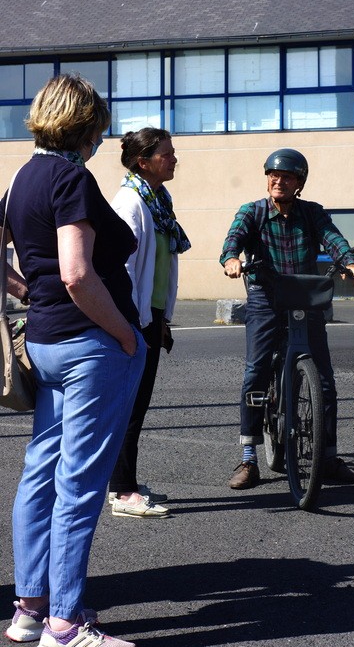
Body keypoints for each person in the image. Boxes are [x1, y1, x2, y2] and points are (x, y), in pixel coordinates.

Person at [2, 75, 146, 647]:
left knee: (41, 473)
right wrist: (125, 335)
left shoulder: (20, 178)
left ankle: (29, 612)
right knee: (80, 483)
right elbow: (76, 273)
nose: (100, 141)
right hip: (91, 345)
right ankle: (66, 623)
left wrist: (25, 293)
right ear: (85, 125)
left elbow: (39, 275)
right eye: (99, 130)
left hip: (44, 341)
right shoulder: (70, 177)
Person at [220, 148, 354, 490]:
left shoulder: (311, 213)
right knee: (255, 370)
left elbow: (332, 237)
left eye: (286, 177)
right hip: (266, 297)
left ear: (299, 183)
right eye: (272, 174)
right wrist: (231, 258)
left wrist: (348, 260)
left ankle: (327, 456)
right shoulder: (252, 212)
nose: (277, 181)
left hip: (303, 296)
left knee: (325, 379)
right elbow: (233, 240)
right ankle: (249, 459)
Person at [108, 127, 190, 518]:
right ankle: (123, 492)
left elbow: (160, 270)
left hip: (150, 315)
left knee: (136, 403)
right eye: (167, 154)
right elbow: (121, 270)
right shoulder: (131, 203)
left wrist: (162, 320)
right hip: (133, 317)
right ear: (144, 162)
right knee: (129, 406)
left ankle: (124, 483)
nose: (174, 159)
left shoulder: (157, 201)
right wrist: (131, 326)